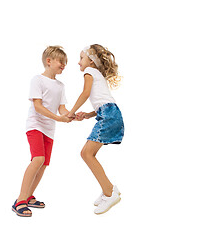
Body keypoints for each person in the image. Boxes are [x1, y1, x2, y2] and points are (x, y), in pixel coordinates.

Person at [12, 46, 74, 217]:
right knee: (38, 159)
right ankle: (20, 200)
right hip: (35, 125)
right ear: (49, 61)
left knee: (44, 164)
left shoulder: (60, 86)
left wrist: (70, 115)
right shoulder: (37, 80)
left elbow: (62, 108)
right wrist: (58, 118)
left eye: (65, 62)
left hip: (49, 129)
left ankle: (29, 196)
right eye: (61, 61)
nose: (64, 65)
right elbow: (38, 107)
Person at [68, 44, 124, 214]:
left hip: (108, 115)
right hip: (110, 113)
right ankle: (109, 188)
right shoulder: (97, 73)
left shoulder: (89, 72)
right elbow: (104, 102)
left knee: (86, 153)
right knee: (87, 153)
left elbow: (85, 94)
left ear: (91, 61)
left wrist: (72, 112)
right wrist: (89, 114)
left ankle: (109, 192)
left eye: (81, 58)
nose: (79, 62)